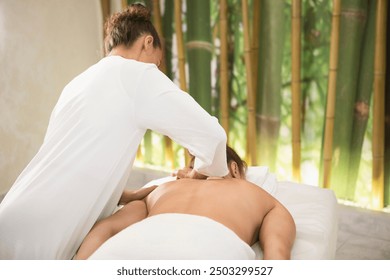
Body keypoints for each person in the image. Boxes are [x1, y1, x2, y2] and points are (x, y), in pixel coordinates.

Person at [0, 4, 228, 260]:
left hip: (11, 216)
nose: (157, 68)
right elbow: (213, 137)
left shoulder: (76, 84)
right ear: (147, 42)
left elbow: (69, 164)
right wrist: (202, 172)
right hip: (42, 236)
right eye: (159, 61)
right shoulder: (139, 74)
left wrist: (125, 195)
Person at [74, 146, 296, 260]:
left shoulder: (163, 189)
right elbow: (277, 254)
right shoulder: (263, 198)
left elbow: (106, 228)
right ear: (235, 169)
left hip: (124, 252)